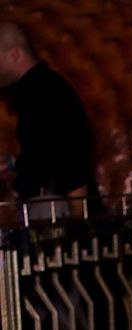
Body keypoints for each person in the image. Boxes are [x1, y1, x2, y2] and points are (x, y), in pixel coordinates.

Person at [0, 21, 100, 220]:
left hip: (54, 208)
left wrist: (78, 225)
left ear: (14, 54)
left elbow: (72, 164)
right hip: (50, 206)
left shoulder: (47, 94)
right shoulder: (37, 93)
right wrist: (12, 163)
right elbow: (46, 156)